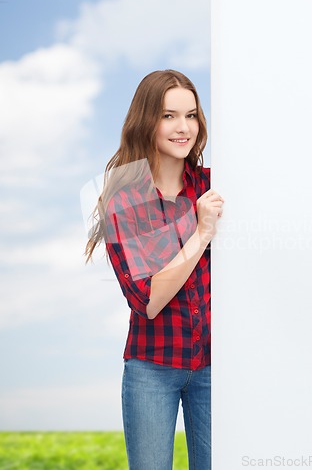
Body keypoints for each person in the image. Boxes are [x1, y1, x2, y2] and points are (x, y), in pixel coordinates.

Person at [84, 69, 223, 470]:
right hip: (152, 369)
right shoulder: (124, 200)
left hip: (216, 366)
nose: (184, 128)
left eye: (192, 115)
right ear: (147, 121)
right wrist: (200, 233)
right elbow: (148, 299)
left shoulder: (214, 186)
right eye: (169, 116)